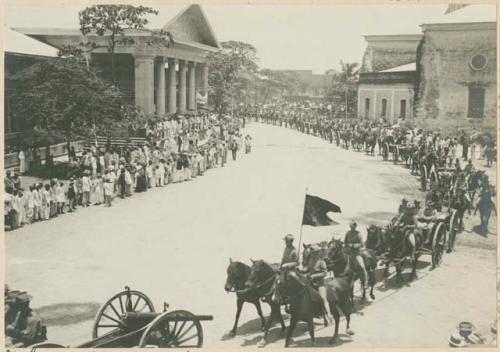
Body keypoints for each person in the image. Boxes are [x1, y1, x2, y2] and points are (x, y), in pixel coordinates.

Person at [306, 244, 333, 323]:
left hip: (319, 283)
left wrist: (314, 276)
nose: (311, 253)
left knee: (323, 298)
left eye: (313, 252)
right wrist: (301, 271)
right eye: (311, 252)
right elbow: (308, 269)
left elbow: (324, 273)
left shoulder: (321, 261)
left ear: (316, 252)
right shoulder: (310, 260)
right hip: (310, 283)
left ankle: (329, 314)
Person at [344, 221, 368, 286]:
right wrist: (346, 248)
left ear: (355, 227)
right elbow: (345, 242)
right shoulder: (347, 233)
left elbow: (362, 244)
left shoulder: (358, 234)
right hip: (349, 253)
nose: (352, 228)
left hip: (356, 253)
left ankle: (366, 281)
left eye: (353, 227)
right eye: (351, 227)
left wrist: (355, 245)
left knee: (362, 267)